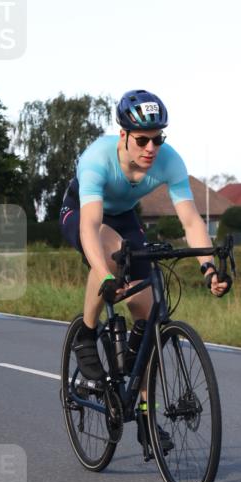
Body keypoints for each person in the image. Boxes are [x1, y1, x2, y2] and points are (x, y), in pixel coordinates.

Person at [59, 89, 230, 450]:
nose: (151, 148)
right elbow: (90, 226)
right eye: (142, 140)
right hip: (83, 211)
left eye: (157, 139)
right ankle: (86, 336)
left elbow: (190, 219)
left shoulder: (171, 162)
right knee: (110, 254)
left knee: (149, 312)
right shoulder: (96, 159)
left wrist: (209, 270)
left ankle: (145, 416)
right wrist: (105, 275)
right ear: (123, 135)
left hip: (124, 217)